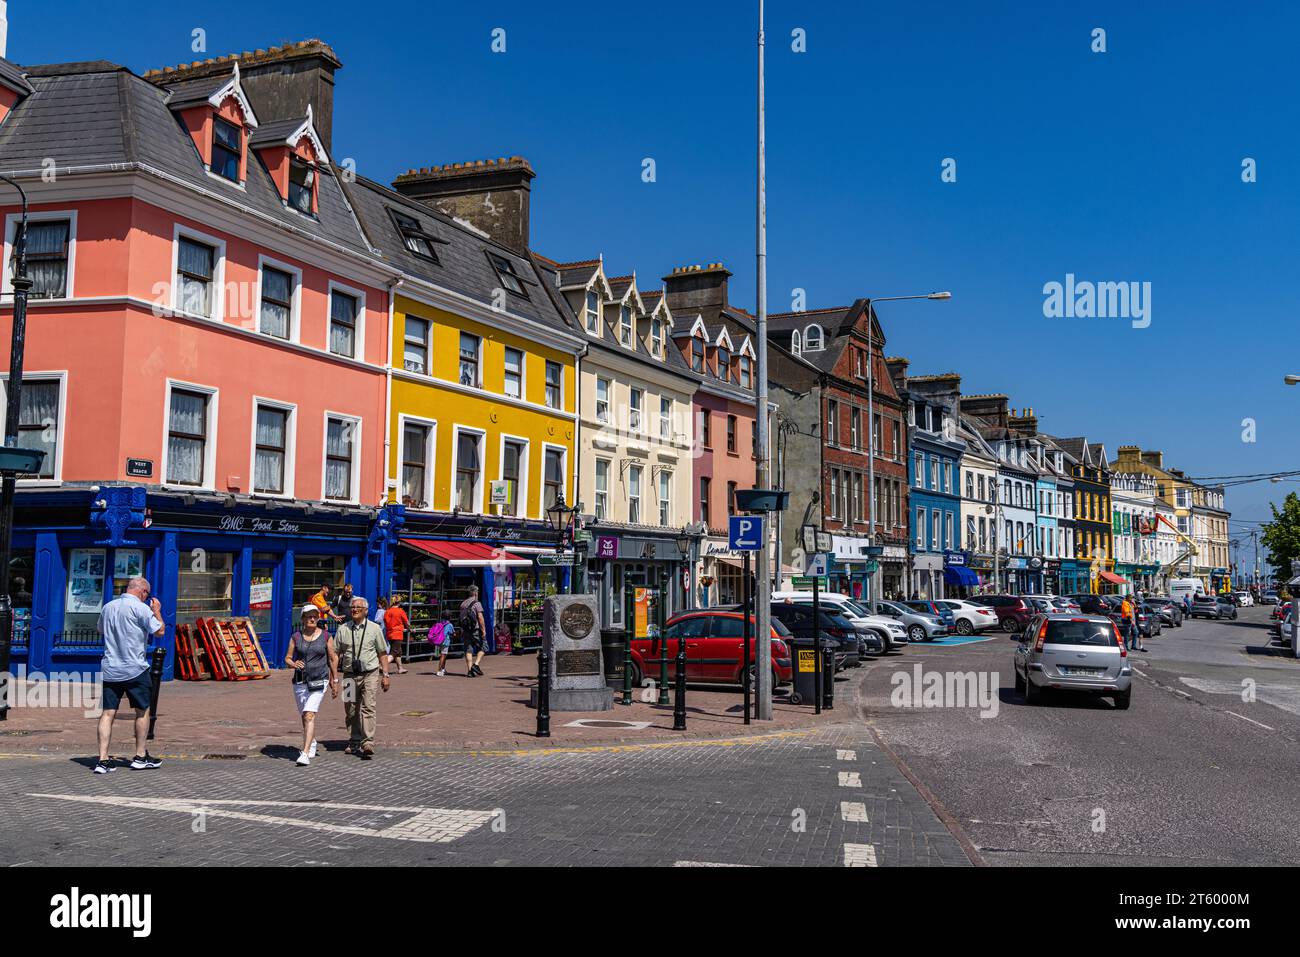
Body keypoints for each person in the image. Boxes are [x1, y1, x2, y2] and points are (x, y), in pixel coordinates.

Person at [93, 576, 165, 774]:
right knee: (142, 711)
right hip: (135, 668)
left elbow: (100, 629)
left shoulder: (108, 606)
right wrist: (157, 612)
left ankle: (103, 760)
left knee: (107, 713)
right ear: (142, 591)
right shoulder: (141, 608)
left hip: (111, 668)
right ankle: (140, 756)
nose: (146, 597)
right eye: (146, 594)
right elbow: (160, 632)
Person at [333, 596, 391, 758]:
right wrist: (334, 677)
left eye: (358, 607)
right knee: (350, 710)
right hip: (350, 675)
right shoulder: (343, 629)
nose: (355, 609)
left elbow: (382, 653)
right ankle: (354, 740)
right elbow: (335, 654)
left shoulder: (374, 629)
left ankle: (367, 742)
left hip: (370, 674)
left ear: (366, 610)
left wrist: (385, 675)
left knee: (368, 707)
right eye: (352, 607)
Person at [284, 604, 339, 766]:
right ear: (303, 619)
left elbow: (332, 658)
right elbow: (287, 658)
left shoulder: (326, 636)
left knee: (309, 714)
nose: (312, 619)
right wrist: (294, 664)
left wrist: (334, 680)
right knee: (305, 716)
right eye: (309, 616)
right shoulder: (295, 637)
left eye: (315, 616)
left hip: (319, 681)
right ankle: (312, 741)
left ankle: (305, 753)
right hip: (300, 682)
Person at [459, 584, 488, 677]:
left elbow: (461, 618)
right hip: (475, 629)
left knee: (468, 650)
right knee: (484, 647)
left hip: (466, 630)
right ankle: (476, 665)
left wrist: (462, 630)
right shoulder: (477, 603)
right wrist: (483, 630)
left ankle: (469, 671)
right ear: (475, 592)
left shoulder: (463, 604)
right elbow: (480, 618)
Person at [383, 594, 410, 675]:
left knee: (398, 652)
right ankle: (381, 666)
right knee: (393, 653)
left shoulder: (387, 611)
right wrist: (410, 629)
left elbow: (385, 622)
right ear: (399, 602)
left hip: (389, 634)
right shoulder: (401, 611)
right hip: (397, 634)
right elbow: (406, 622)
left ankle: (400, 668)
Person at [428, 612, 454, 677]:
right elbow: (452, 633)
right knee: (443, 655)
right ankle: (439, 670)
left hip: (439, 641)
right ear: (450, 617)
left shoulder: (440, 623)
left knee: (444, 655)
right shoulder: (449, 625)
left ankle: (443, 669)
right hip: (445, 642)